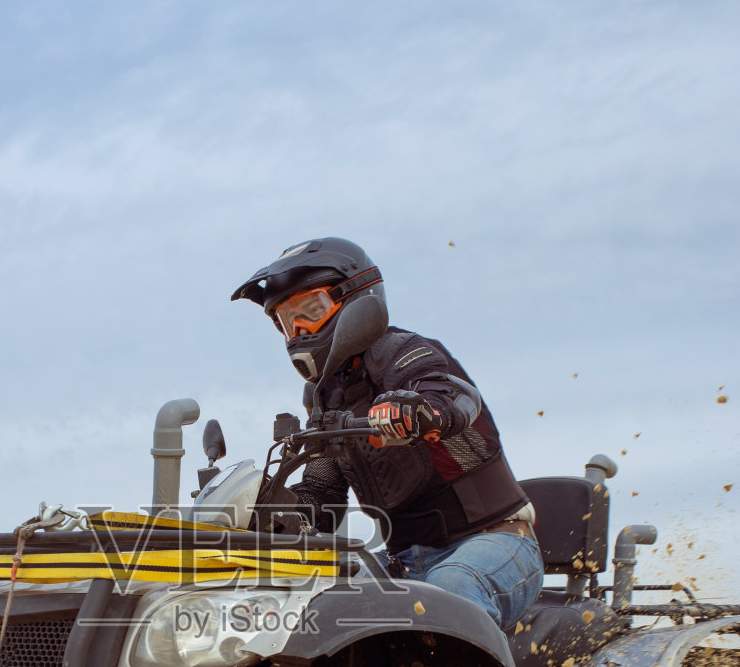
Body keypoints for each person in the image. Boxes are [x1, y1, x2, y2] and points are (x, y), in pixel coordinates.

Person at [232, 236, 544, 633]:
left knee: (452, 587)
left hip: (494, 541)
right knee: (316, 598)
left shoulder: (403, 353)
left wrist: (419, 410)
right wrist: (269, 518)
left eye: (311, 310)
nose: (299, 331)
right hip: (404, 561)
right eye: (286, 321)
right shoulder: (324, 397)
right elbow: (323, 493)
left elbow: (453, 394)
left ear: (357, 299)